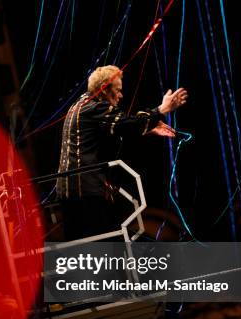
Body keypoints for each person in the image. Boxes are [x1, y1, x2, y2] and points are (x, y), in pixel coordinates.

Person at [56, 65, 187, 240]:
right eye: (117, 90)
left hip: (73, 192)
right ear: (104, 89)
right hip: (85, 192)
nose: (120, 95)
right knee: (107, 243)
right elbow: (125, 124)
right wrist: (160, 110)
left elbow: (118, 128)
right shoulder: (95, 108)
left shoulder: (80, 105)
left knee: (89, 244)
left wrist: (147, 128)